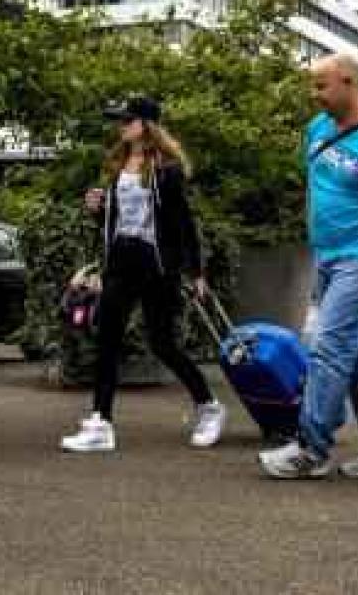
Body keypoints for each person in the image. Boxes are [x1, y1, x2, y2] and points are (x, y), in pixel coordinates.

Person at [258, 54, 358, 480]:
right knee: (356, 356)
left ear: (350, 83)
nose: (315, 96)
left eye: (322, 87)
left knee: (328, 346)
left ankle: (312, 450)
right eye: (312, 86)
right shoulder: (318, 130)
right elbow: (317, 187)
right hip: (327, 256)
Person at [60, 96, 227, 453]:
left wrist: (196, 271)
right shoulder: (119, 165)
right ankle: (100, 422)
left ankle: (209, 406)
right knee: (107, 336)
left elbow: (183, 223)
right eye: (120, 121)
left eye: (127, 120)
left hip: (155, 264)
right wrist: (98, 207)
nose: (121, 127)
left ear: (146, 125)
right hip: (121, 258)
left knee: (163, 344)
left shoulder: (166, 170)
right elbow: (119, 217)